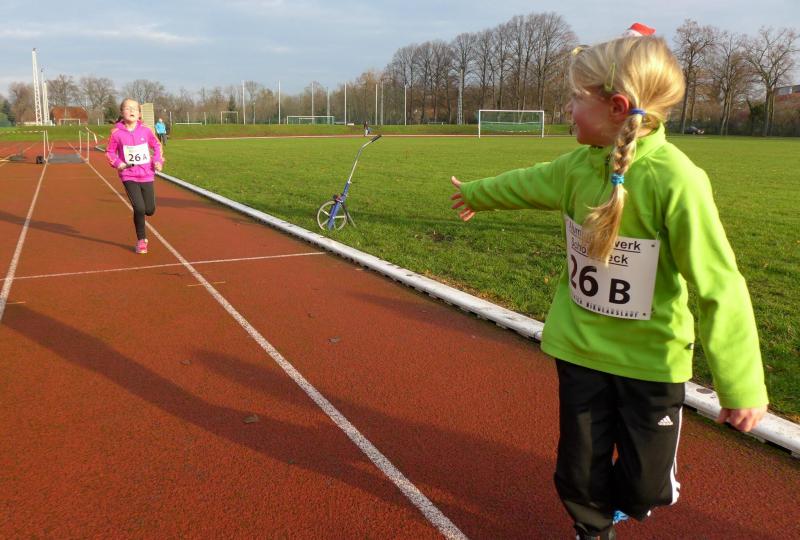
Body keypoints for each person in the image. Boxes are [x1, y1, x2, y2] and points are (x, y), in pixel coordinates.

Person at [450, 25, 767, 540]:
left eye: (576, 98)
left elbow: (719, 284)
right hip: (581, 350)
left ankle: (645, 491)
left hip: (651, 362)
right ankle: (593, 530)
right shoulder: (576, 168)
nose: (568, 109)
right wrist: (477, 194)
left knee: (643, 488)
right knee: (577, 474)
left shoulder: (677, 180)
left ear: (617, 107)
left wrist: (742, 384)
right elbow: (527, 182)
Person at [106, 98, 164, 254]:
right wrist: (118, 163)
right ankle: (141, 240)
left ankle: (144, 222)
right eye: (127, 108)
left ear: (139, 113)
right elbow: (110, 152)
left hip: (147, 174)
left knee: (149, 210)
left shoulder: (146, 130)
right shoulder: (116, 133)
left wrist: (158, 161)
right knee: (139, 208)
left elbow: (157, 145)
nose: (131, 110)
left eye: (134, 108)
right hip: (128, 175)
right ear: (121, 112)